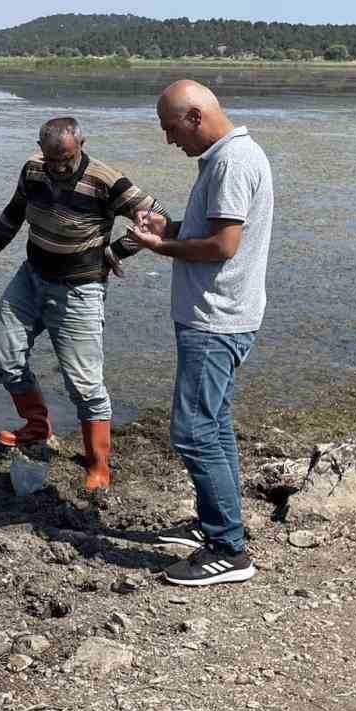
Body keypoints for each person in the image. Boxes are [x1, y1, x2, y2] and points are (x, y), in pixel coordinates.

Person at [0, 116, 168, 492]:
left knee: (84, 385)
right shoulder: (33, 170)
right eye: (52, 159)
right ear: (41, 150)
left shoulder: (107, 181)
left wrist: (117, 251)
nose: (58, 167)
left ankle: (98, 465)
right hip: (32, 277)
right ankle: (37, 426)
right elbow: (12, 216)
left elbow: (159, 221)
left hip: (79, 290)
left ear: (82, 144)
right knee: (3, 357)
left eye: (66, 159)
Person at [127, 80, 273, 587]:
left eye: (171, 129)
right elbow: (207, 233)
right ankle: (217, 524)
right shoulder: (227, 158)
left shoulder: (232, 163)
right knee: (215, 425)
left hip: (216, 321)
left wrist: (156, 247)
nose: (170, 141)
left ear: (194, 116)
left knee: (192, 432)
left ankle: (229, 549)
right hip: (222, 315)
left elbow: (222, 247)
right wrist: (168, 228)